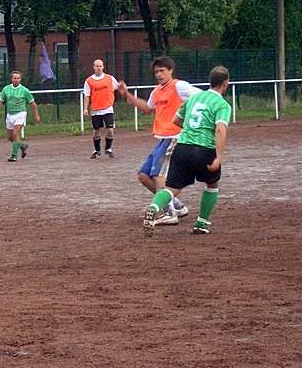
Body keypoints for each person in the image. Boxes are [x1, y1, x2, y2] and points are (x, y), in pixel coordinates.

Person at [143, 66, 232, 235]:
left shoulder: (195, 97)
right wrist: (219, 157)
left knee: (172, 188)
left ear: (210, 81)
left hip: (182, 146)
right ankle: (201, 224)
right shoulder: (222, 104)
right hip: (204, 149)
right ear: (225, 83)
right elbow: (220, 129)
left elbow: (176, 120)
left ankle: (154, 207)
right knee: (212, 184)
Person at [118, 56, 200, 225]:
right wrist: (127, 94)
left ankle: (169, 213)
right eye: (156, 72)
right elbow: (148, 109)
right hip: (162, 139)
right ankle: (175, 205)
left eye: (162, 70)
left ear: (171, 70)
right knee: (143, 175)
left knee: (159, 176)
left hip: (175, 138)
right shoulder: (156, 91)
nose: (159, 74)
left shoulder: (180, 86)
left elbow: (201, 97)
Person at [0, 71, 41, 162]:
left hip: (20, 114)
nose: (16, 80)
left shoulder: (25, 90)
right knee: (10, 137)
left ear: (20, 79)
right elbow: (0, 101)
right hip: (10, 114)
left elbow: (33, 104)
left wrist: (36, 115)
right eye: (14, 78)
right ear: (11, 79)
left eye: (18, 78)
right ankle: (22, 146)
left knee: (15, 134)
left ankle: (14, 155)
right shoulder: (6, 89)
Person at [83, 59, 120, 159]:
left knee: (110, 130)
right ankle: (97, 150)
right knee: (96, 131)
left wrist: (127, 95)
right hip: (95, 109)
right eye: (96, 66)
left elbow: (119, 87)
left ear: (103, 67)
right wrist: (85, 108)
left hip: (108, 108)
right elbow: (86, 95)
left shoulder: (110, 78)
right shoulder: (89, 81)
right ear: (93, 67)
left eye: (100, 66)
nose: (98, 68)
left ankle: (108, 149)